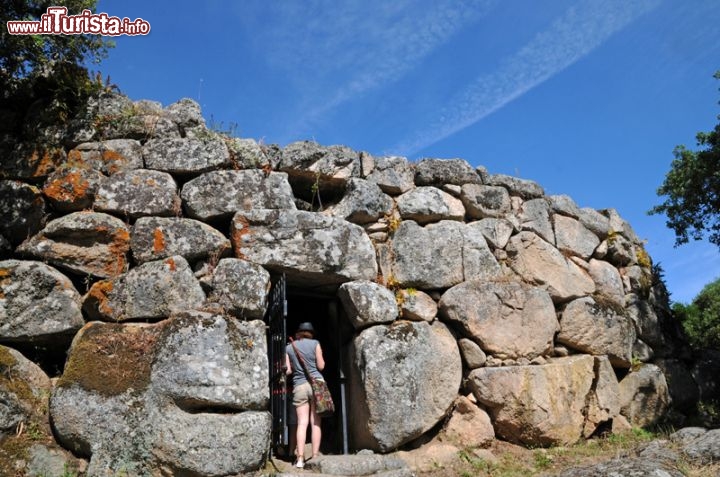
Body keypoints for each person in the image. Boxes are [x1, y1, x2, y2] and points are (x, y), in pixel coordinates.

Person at [285, 322, 326, 469]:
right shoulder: (315, 343)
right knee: (316, 422)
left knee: (302, 423)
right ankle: (314, 456)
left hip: (299, 386)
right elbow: (321, 366)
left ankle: (300, 458)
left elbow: (288, 371)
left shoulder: (289, 347)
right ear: (311, 333)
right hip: (317, 384)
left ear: (298, 333)